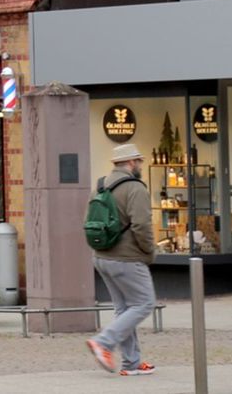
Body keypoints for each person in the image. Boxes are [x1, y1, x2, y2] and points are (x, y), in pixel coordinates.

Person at [86, 143, 157, 376]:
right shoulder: (135, 188)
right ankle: (104, 343)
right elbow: (142, 226)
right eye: (139, 161)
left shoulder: (99, 186)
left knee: (124, 308)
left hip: (101, 256)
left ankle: (131, 363)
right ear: (131, 163)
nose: (140, 165)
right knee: (144, 303)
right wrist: (149, 252)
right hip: (127, 258)